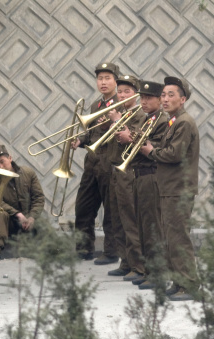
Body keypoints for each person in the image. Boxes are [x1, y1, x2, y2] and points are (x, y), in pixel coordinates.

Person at [140, 76, 199, 301]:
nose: (165, 99)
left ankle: (189, 285)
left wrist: (150, 152)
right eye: (163, 95)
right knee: (171, 237)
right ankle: (179, 282)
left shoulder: (183, 122)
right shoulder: (174, 120)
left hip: (178, 188)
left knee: (178, 237)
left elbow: (174, 154)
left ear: (182, 99)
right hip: (169, 187)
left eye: (170, 95)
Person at [116, 80, 168, 287]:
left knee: (152, 226)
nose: (144, 101)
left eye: (149, 98)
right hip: (138, 175)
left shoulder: (162, 120)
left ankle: (157, 274)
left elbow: (158, 146)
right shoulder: (149, 119)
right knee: (143, 226)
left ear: (158, 99)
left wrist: (132, 139)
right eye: (143, 97)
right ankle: (148, 270)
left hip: (151, 175)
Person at [71, 63, 119, 265]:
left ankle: (111, 251)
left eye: (108, 78)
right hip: (92, 163)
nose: (103, 82)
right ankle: (83, 248)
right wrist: (81, 141)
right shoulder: (95, 106)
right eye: (100, 79)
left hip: (110, 163)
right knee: (83, 207)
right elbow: (92, 135)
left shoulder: (121, 105)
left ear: (115, 80)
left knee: (111, 209)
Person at [105, 75, 144, 277]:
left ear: (136, 95)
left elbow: (133, 140)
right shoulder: (119, 113)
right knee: (117, 219)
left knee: (130, 219)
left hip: (129, 172)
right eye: (120, 91)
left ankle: (138, 266)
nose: (122, 95)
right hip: (115, 170)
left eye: (127, 91)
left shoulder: (140, 115)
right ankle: (125, 261)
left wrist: (117, 122)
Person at [0, 145, 45, 260]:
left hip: (28, 218)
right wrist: (17, 214)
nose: (0, 166)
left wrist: (31, 217)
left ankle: (40, 246)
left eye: (2, 162)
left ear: (10, 158)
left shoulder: (28, 173)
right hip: (10, 220)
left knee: (43, 221)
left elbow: (39, 198)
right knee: (0, 213)